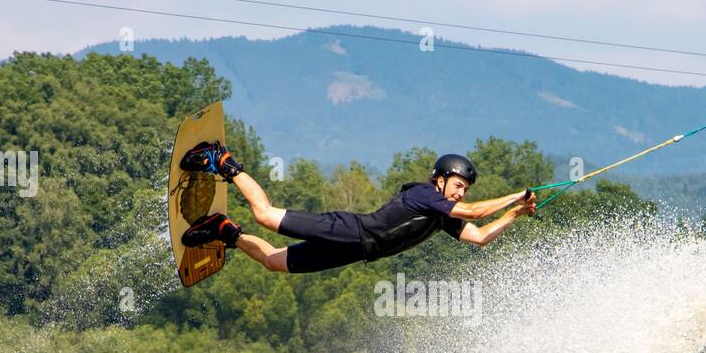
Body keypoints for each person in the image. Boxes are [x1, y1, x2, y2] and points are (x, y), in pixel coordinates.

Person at [179, 142, 537, 273]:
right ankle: (221, 160)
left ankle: (223, 230)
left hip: (355, 252)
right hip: (350, 230)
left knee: (274, 263)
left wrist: (515, 214)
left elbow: (480, 236)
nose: (460, 194)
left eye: (465, 189)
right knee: (265, 216)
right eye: (458, 186)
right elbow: (475, 213)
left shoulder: (441, 215)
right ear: (440, 180)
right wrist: (515, 196)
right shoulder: (425, 194)